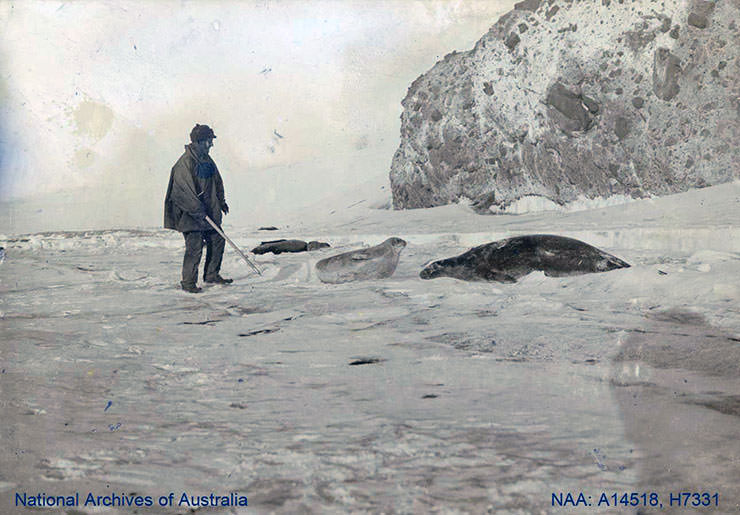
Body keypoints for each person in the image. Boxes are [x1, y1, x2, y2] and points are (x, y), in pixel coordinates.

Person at [164, 124, 233, 293]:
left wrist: (221, 201)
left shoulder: (207, 160)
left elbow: (217, 182)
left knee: (218, 240)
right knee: (194, 247)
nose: (211, 144)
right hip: (190, 214)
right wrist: (198, 211)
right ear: (200, 142)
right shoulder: (184, 163)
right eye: (209, 141)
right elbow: (183, 192)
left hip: (208, 212)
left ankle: (211, 274)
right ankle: (188, 283)